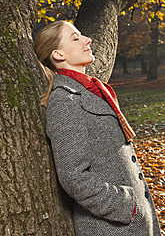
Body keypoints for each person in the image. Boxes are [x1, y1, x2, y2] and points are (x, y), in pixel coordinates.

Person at [34, 20, 161, 236]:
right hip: (112, 227)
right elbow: (73, 176)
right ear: (58, 55)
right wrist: (126, 205)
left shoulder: (92, 91)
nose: (87, 40)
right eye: (75, 38)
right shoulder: (65, 101)